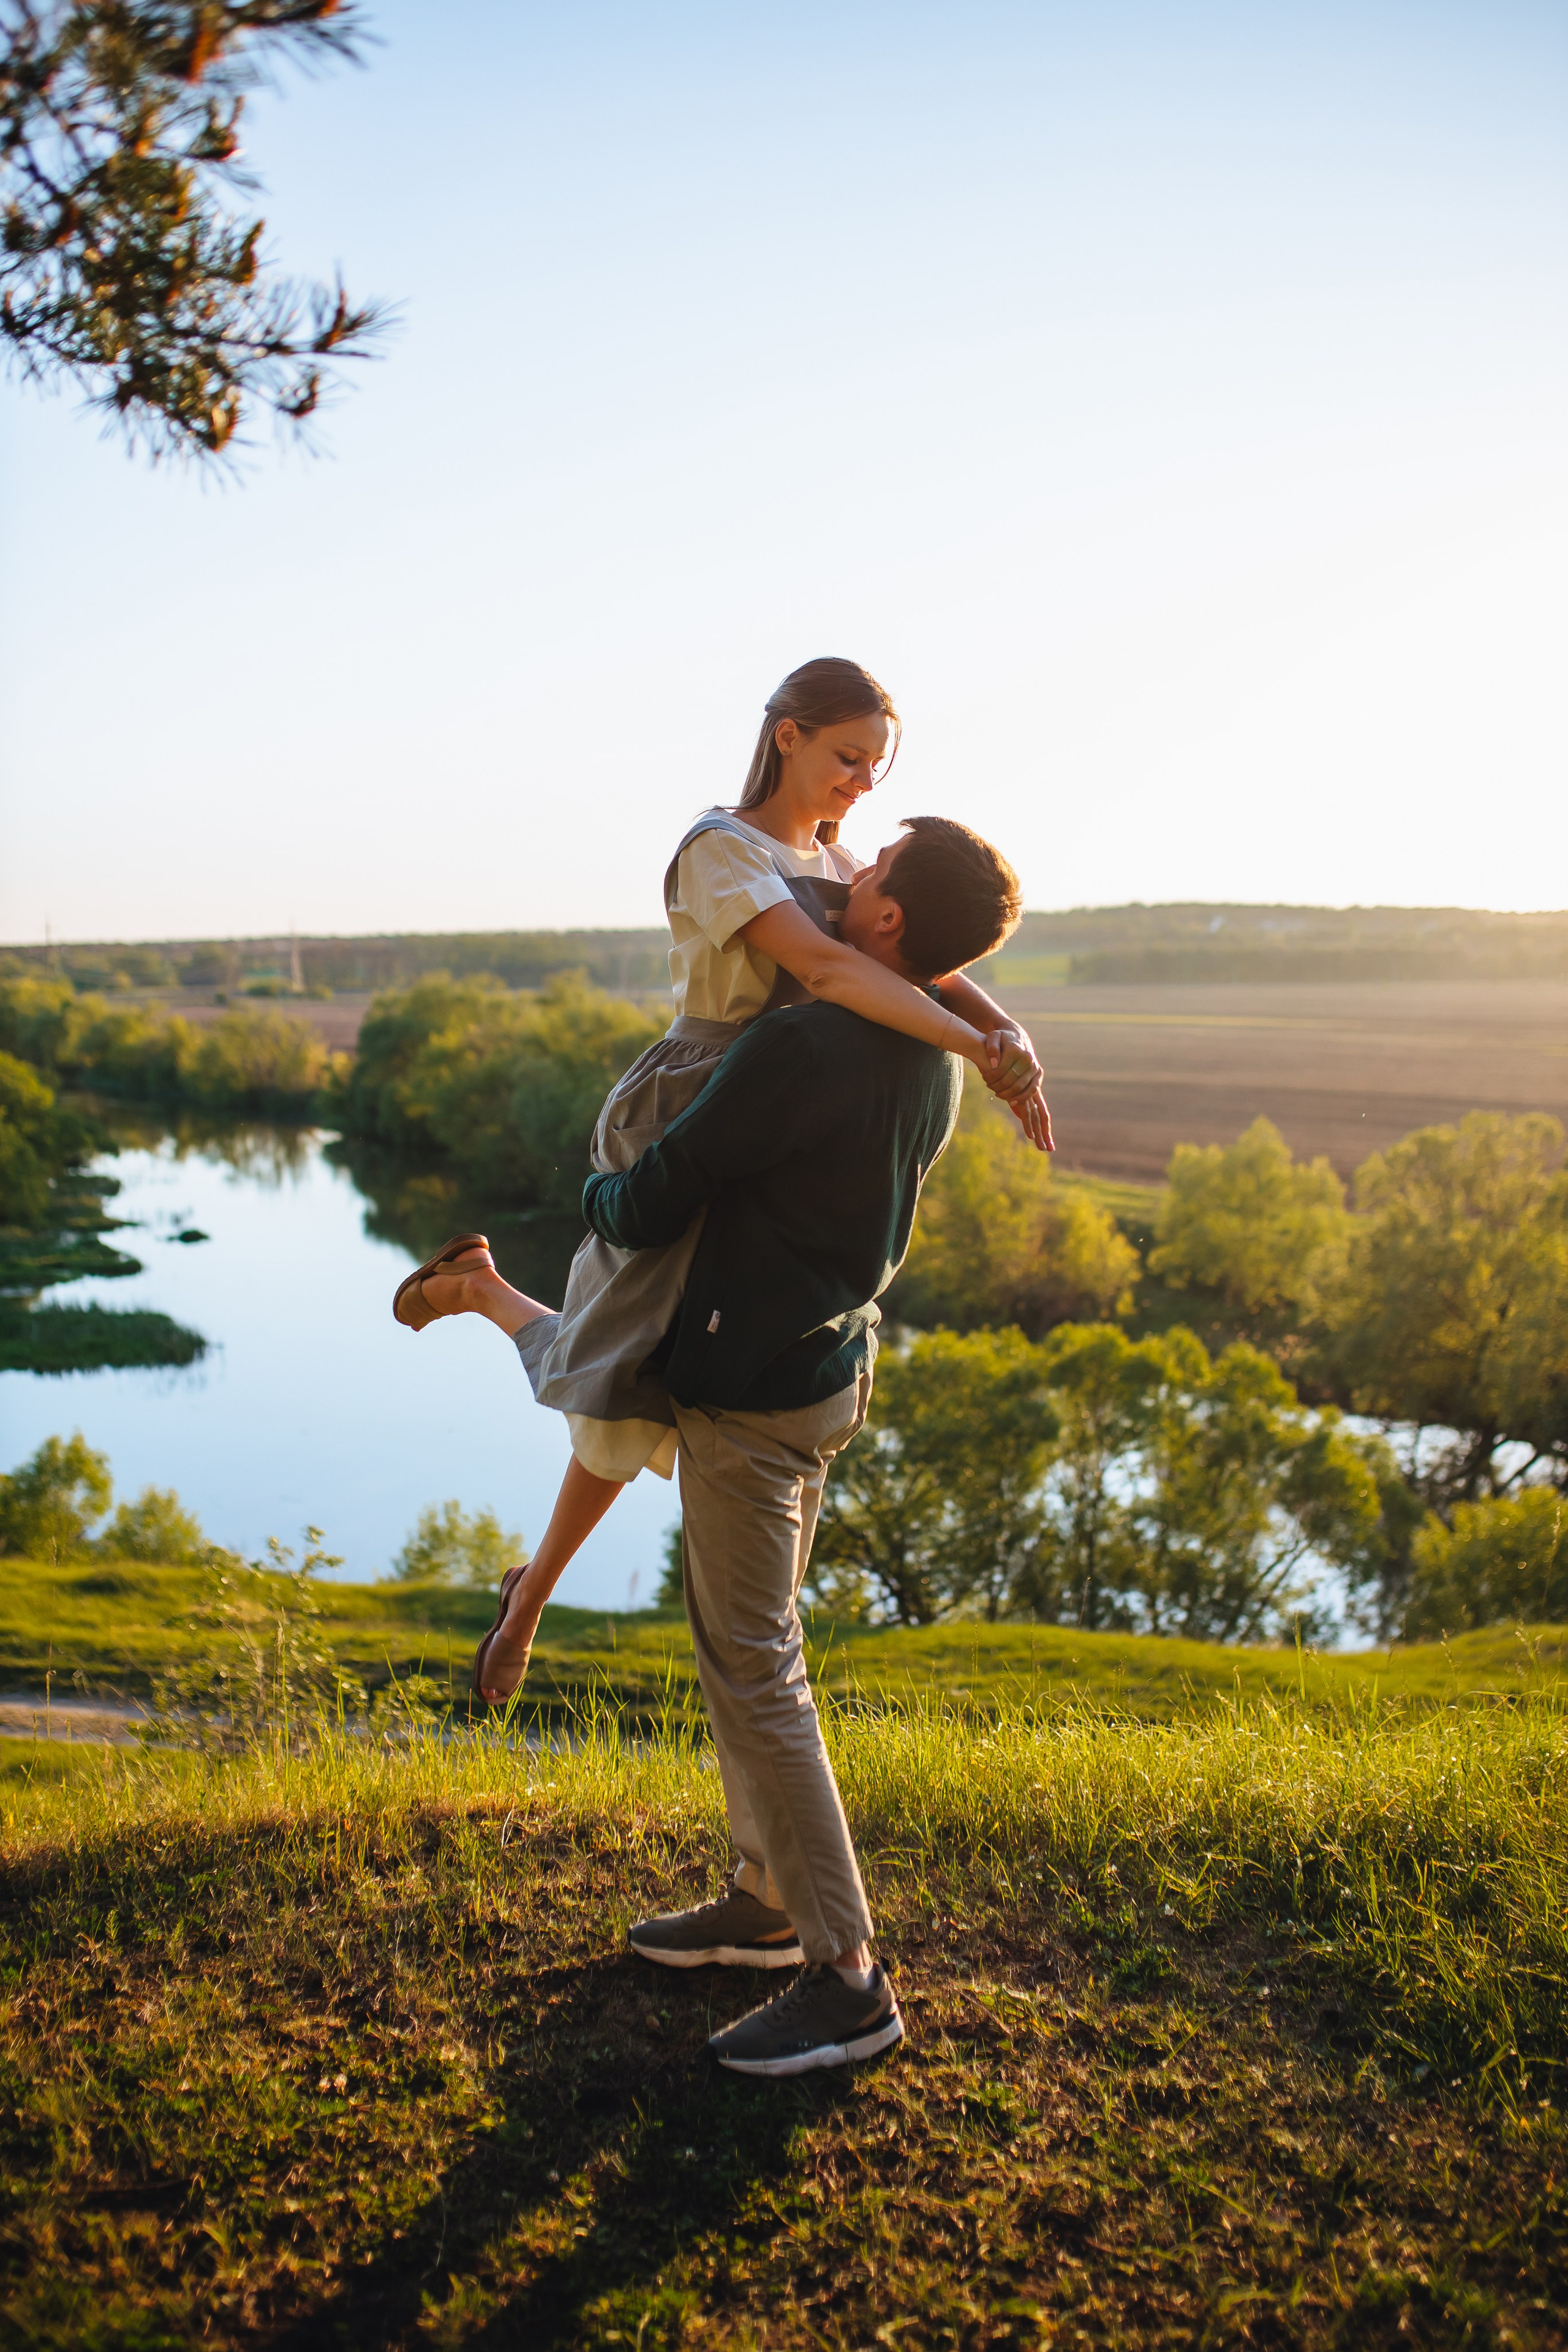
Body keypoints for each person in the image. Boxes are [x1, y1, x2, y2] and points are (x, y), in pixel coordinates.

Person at [407, 812, 1031, 2075]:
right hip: (814, 1371)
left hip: (749, 1391)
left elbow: (650, 1195)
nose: (848, 867)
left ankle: (847, 1978)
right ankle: (758, 1905)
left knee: (756, 1667)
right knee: (740, 1648)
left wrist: (580, 1188)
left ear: (891, 919)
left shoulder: (811, 1041)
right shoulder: (929, 1057)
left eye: (873, 865)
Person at [393, 657, 1050, 1700]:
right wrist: (977, 1054)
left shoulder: (836, 855)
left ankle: (486, 1321)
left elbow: (917, 957)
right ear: (786, 735)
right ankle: (524, 1590)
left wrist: (1004, 1028)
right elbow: (836, 969)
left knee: (648, 1383)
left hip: (778, 1122)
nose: (860, 786)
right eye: (848, 757)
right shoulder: (721, 849)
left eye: (877, 767)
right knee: (621, 1399)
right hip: (692, 1108)